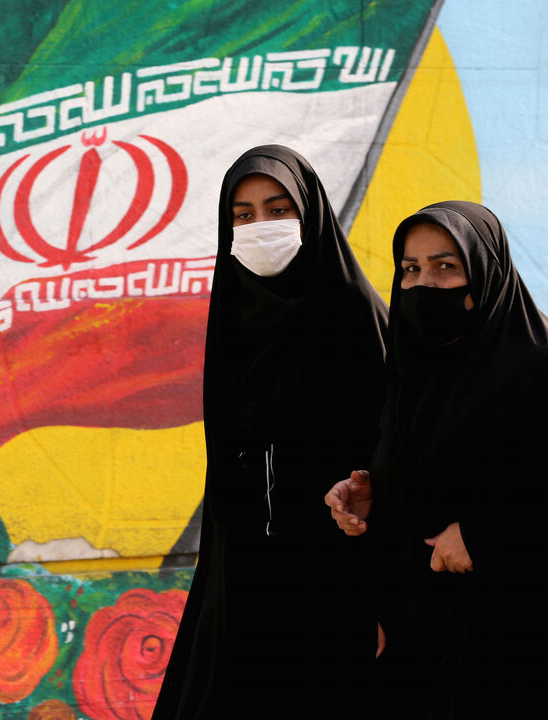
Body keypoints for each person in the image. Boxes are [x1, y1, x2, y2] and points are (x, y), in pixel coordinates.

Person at [326, 201, 548, 718]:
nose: (424, 284)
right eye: (411, 269)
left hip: (531, 649)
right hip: (433, 640)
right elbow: (437, 478)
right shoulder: (415, 369)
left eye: (445, 266)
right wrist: (377, 493)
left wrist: (486, 537)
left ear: (486, 271)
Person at [153, 145, 387, 719]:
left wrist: (385, 597)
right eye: (243, 214)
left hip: (338, 577)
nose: (261, 225)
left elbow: (399, 456)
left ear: (310, 215)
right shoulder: (234, 317)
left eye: (279, 210)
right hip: (245, 571)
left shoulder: (357, 317)